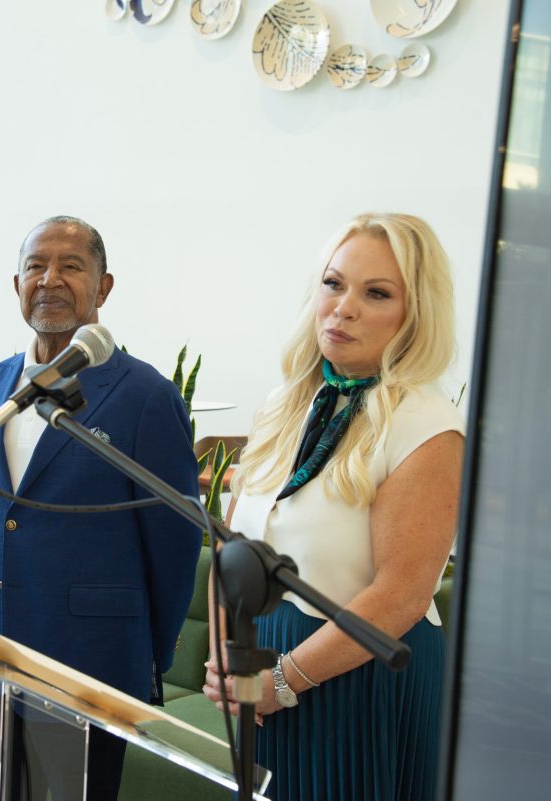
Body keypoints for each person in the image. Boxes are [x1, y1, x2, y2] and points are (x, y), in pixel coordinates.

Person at [202, 213, 464, 801]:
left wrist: (282, 681)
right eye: (333, 284)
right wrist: (225, 659)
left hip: (358, 678)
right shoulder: (283, 405)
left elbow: (401, 595)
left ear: (416, 313)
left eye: (376, 293)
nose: (343, 308)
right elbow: (232, 549)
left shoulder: (427, 425)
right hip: (264, 667)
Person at [0, 215, 202, 800]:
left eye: (70, 266)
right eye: (35, 266)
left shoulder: (145, 395)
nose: (49, 279)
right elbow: (1, 520)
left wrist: (148, 657)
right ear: (16, 284)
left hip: (89, 661)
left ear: (104, 286)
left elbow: (174, 543)